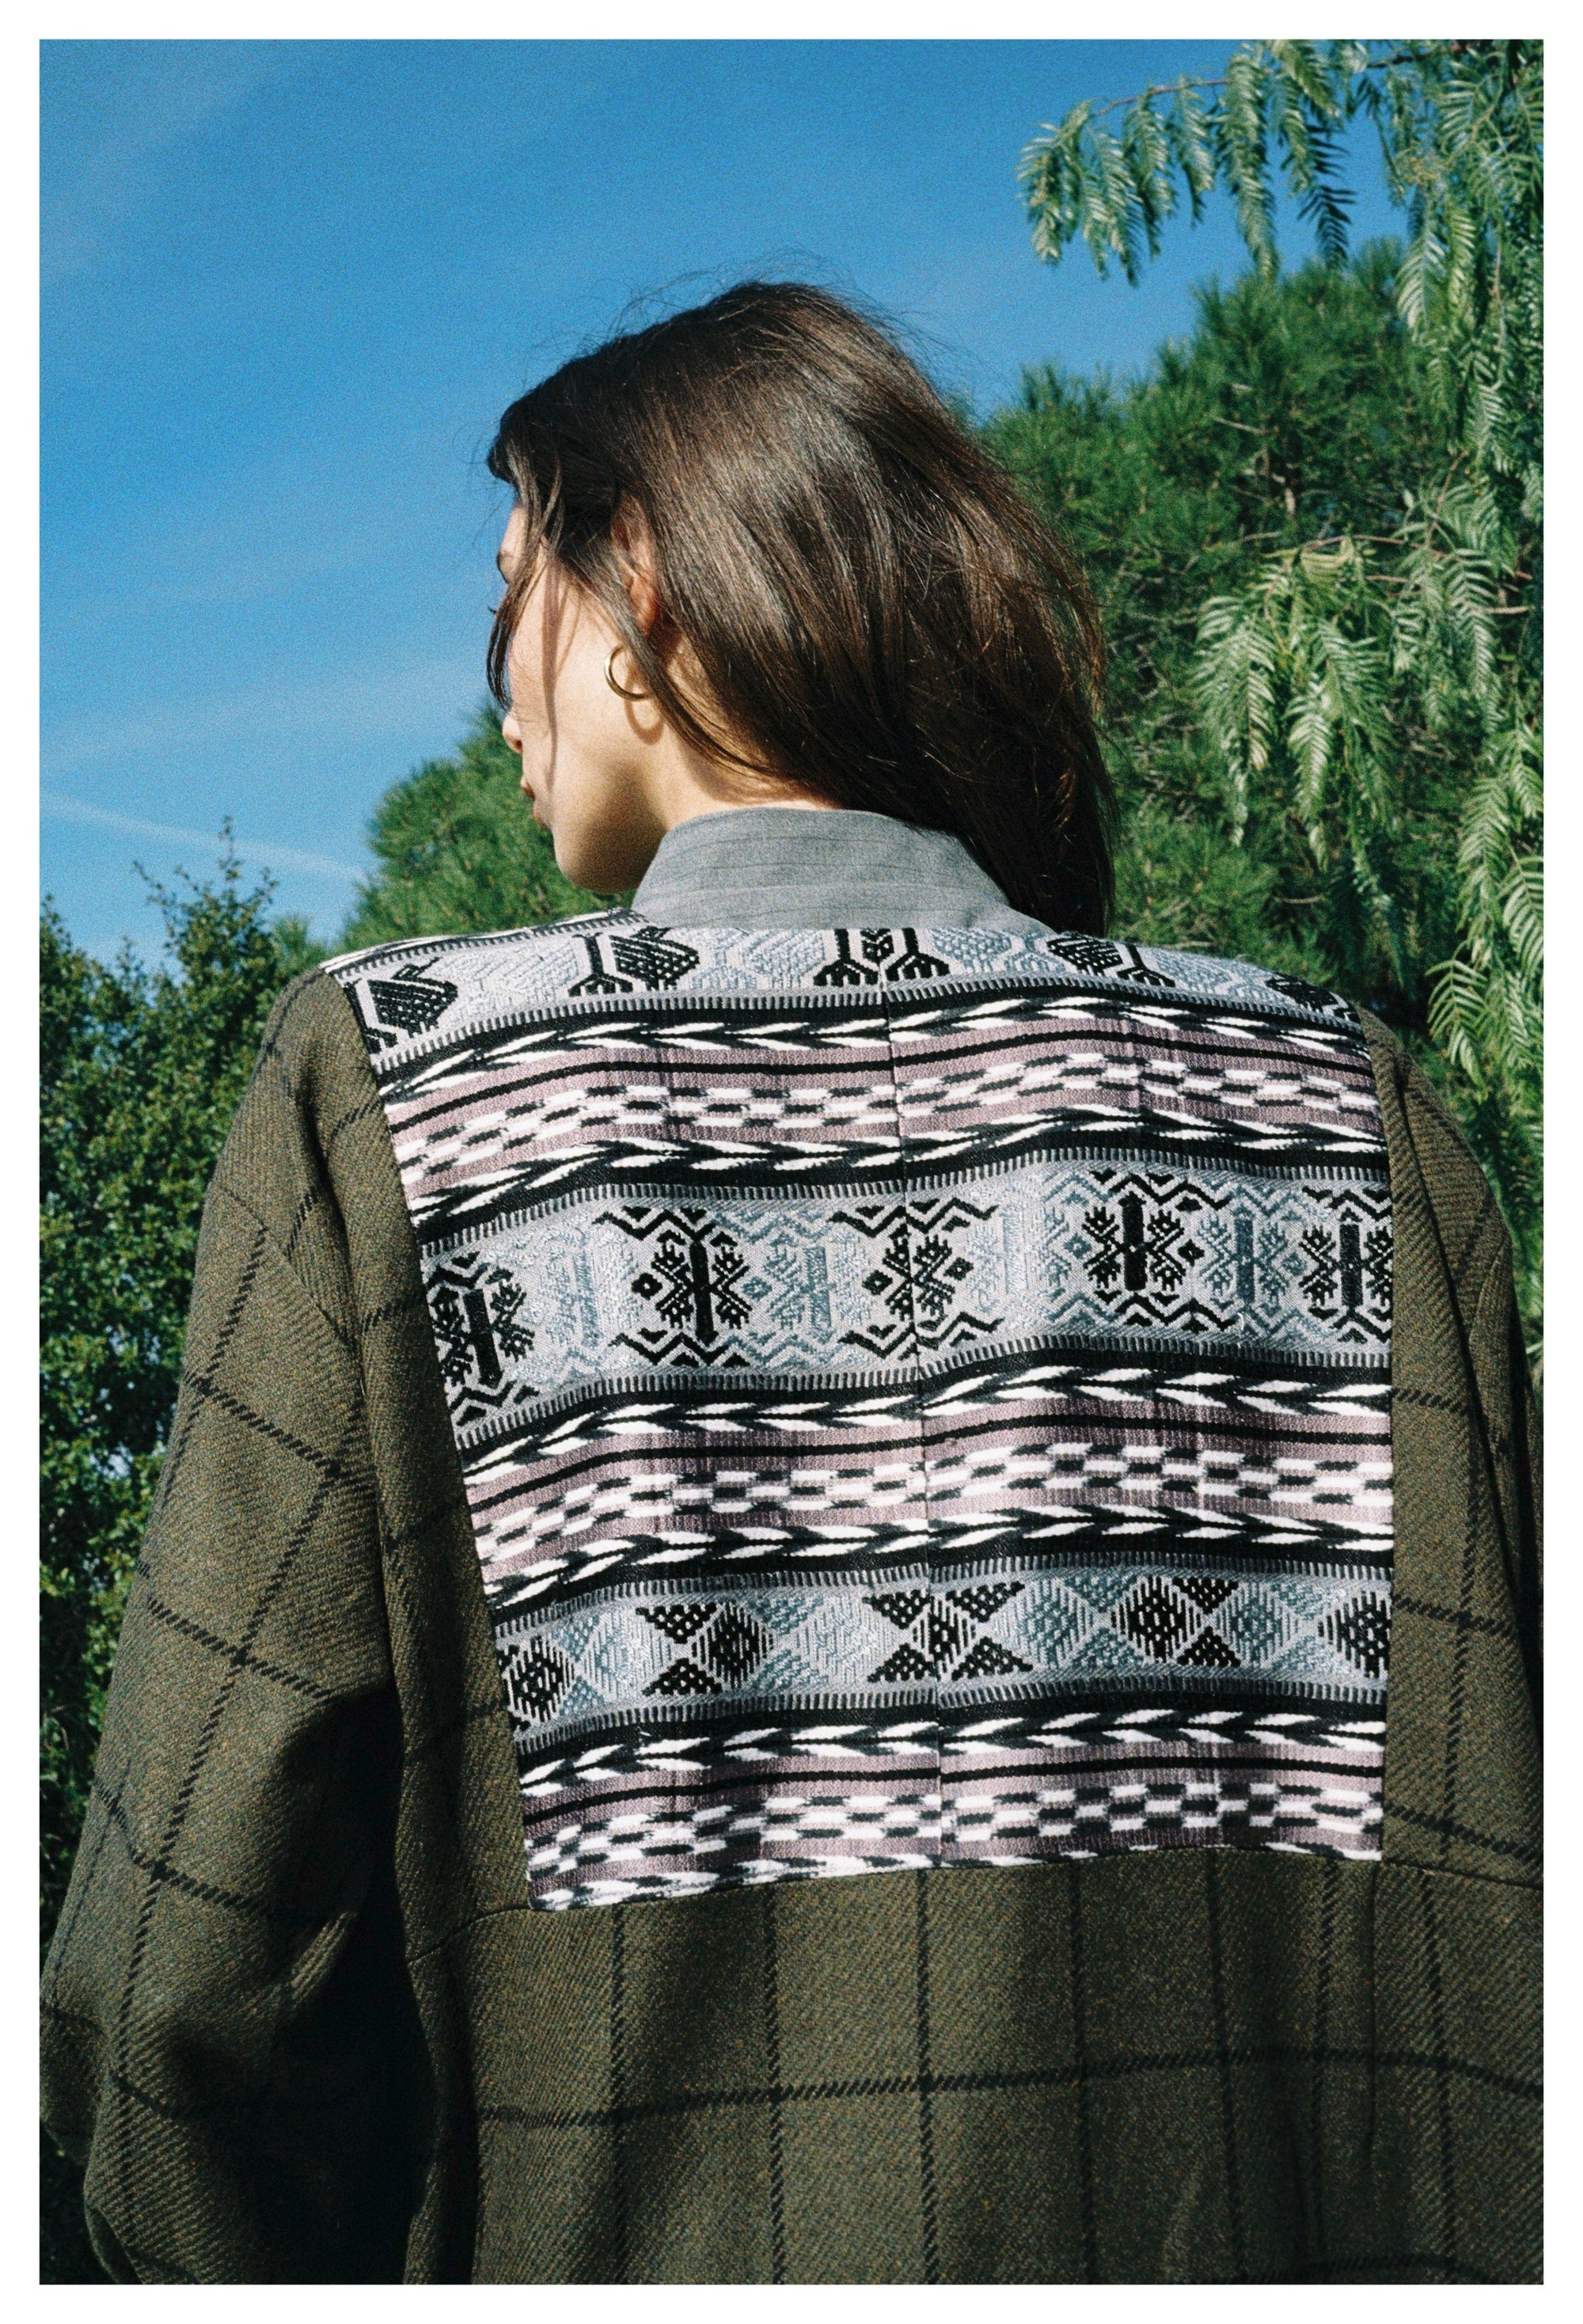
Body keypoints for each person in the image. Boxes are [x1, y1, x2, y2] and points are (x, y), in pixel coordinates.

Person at [41, 281, 1540, 2284]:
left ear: (640, 583)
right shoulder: (1346, 1106)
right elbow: (1495, 1898)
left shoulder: (394, 1095)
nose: (496, 694)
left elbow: (182, 1998)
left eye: (509, 594)